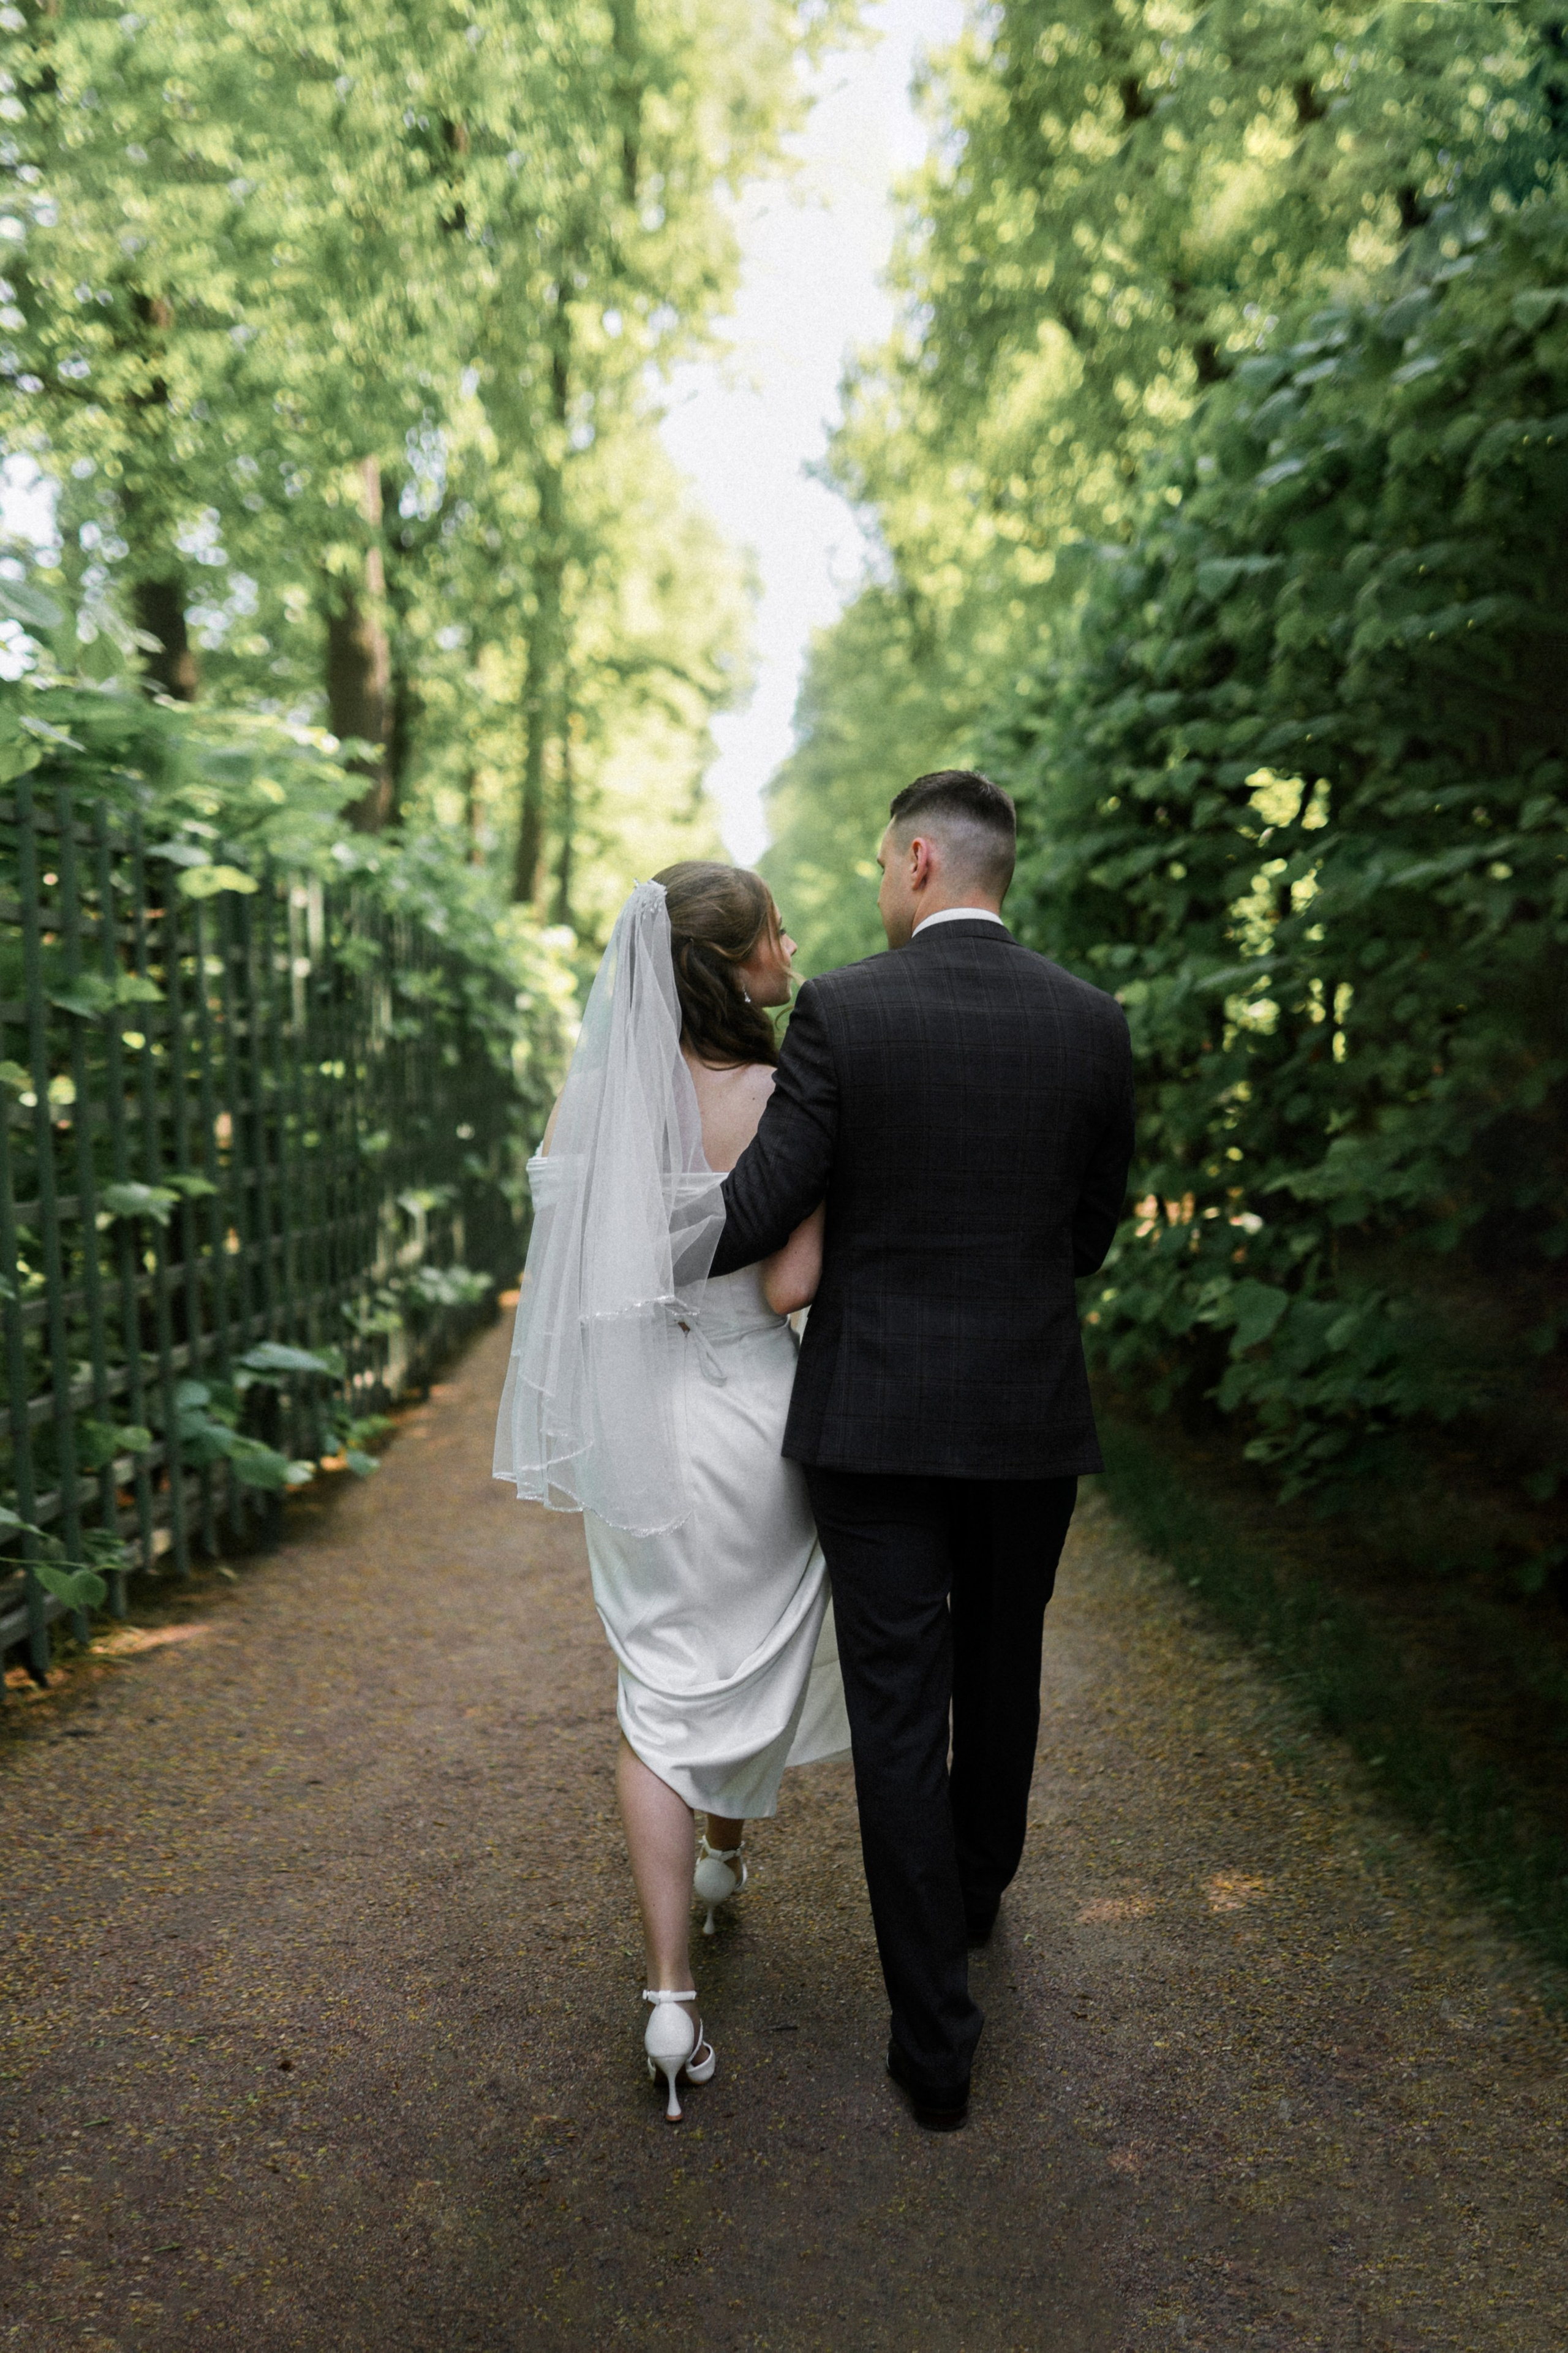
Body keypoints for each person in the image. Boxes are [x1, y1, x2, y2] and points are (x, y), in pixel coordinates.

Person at [708, 770, 1135, 2129]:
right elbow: (1088, 1230)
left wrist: (636, 1232)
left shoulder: (843, 1006)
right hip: (1022, 1417)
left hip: (874, 1422)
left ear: (913, 863)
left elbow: (764, 1202)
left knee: (900, 1706)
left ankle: (933, 2050)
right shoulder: (1091, 1022)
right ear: (991, 869)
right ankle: (977, 1891)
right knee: (1001, 1671)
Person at [494, 864, 849, 2121]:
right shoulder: (781, 1094)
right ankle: (723, 1858)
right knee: (747, 1653)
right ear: (729, 960)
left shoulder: (589, 1097)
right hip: (759, 1422)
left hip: (640, 1422)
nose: (788, 947)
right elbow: (788, 1287)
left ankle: (667, 1998)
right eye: (772, 932)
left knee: (656, 1687)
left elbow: (576, 1282)